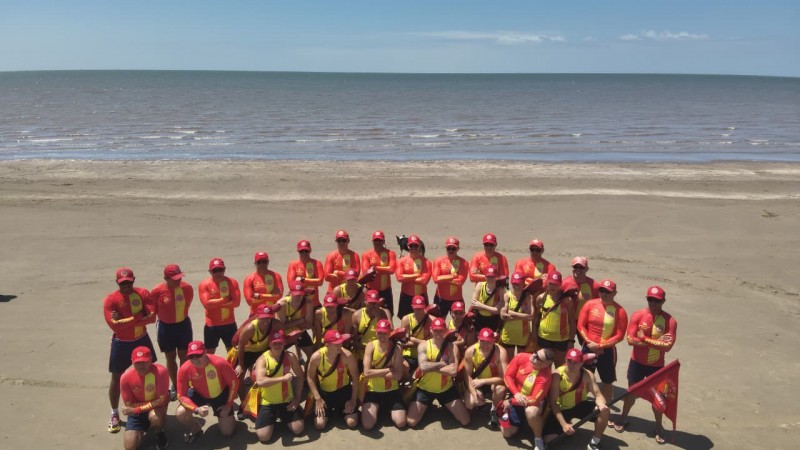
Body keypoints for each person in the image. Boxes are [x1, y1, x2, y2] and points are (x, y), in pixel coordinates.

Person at [614, 286, 677, 445]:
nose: (653, 303)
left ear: (663, 301)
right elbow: (630, 341)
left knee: (658, 399)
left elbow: (667, 347)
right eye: (650, 299)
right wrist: (657, 343)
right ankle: (622, 418)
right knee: (631, 393)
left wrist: (645, 339)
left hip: (656, 367)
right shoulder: (638, 315)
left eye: (656, 300)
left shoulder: (670, 321)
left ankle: (658, 427)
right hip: (637, 363)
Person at [103, 267, 157, 433]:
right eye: (122, 283)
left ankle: (152, 407)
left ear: (133, 280)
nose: (126, 285)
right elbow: (114, 326)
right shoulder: (111, 300)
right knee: (116, 377)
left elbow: (152, 318)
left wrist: (125, 320)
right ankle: (114, 413)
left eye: (128, 282)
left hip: (141, 340)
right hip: (122, 342)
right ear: (117, 282)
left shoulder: (143, 294)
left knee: (149, 373)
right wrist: (138, 317)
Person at [406, 317, 470, 427]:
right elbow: (422, 367)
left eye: (441, 330)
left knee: (465, 421)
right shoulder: (424, 345)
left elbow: (453, 371)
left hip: (446, 389)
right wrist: (441, 364)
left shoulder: (452, 347)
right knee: (411, 422)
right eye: (436, 330)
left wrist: (431, 366)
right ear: (431, 330)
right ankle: (429, 405)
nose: (438, 333)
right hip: (425, 389)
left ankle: (443, 404)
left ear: (445, 330)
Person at [544, 348, 610, 450]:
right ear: (565, 360)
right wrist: (564, 424)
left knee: (605, 411)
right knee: (549, 440)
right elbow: (553, 403)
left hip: (579, 405)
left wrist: (601, 404)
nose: (572, 365)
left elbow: (598, 394)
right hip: (562, 409)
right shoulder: (557, 375)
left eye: (575, 362)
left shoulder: (587, 375)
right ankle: (567, 424)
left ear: (581, 363)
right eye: (569, 361)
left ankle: (595, 442)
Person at [577, 279, 629, 406]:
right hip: (588, 347)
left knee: (607, 381)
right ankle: (580, 404)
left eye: (608, 292)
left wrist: (600, 345)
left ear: (615, 293)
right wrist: (589, 342)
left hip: (607, 351)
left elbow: (619, 335)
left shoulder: (620, 311)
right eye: (602, 291)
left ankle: (606, 409)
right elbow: (580, 325)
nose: (604, 294)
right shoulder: (590, 304)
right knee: (584, 378)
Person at [176, 341, 239, 443]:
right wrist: (196, 409)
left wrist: (228, 406)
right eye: (191, 356)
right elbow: (181, 395)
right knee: (180, 413)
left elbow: (234, 383)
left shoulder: (219, 362)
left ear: (205, 352)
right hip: (199, 394)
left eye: (198, 355)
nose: (195, 359)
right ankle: (195, 426)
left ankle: (230, 417)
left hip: (220, 394)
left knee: (228, 432)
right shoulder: (184, 369)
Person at [151, 263, 194, 401]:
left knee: (184, 356)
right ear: (166, 278)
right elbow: (154, 310)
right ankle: (175, 384)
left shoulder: (187, 288)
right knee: (170, 357)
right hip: (165, 327)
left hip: (183, 325)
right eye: (174, 278)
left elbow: (187, 304)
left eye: (179, 277)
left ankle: (184, 383)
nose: (178, 280)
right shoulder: (157, 291)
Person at [253, 330, 305, 443]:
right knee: (263, 437)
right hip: (268, 402)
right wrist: (283, 379)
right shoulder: (262, 359)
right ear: (269, 344)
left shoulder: (290, 356)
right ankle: (273, 416)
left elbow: (301, 376)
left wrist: (297, 398)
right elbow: (260, 382)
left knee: (298, 429)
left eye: (280, 343)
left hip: (287, 400)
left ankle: (285, 414)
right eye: (274, 343)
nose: (277, 345)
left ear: (284, 343)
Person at [499, 348, 555, 450]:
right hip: (516, 395)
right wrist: (515, 394)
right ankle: (508, 417)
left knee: (531, 412)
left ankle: (538, 439)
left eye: (537, 357)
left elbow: (534, 400)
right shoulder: (521, 357)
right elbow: (508, 376)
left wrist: (511, 401)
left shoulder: (545, 376)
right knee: (507, 433)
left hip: (533, 401)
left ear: (545, 365)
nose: (533, 356)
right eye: (535, 352)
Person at [307, 329, 360, 429]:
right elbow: (310, 377)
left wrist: (353, 400)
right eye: (336, 344)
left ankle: (341, 411)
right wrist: (318, 398)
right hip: (325, 393)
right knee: (319, 425)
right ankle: (328, 412)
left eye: (340, 343)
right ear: (327, 344)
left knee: (352, 423)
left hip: (343, 391)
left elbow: (355, 377)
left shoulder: (347, 355)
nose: (339, 346)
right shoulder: (316, 357)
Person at [119, 347, 170, 450]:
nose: (142, 365)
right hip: (137, 414)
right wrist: (137, 410)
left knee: (155, 417)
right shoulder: (125, 378)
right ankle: (143, 427)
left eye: (145, 362)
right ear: (132, 361)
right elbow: (129, 405)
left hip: (155, 409)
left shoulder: (161, 372)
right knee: (130, 447)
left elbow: (161, 400)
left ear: (151, 359)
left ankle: (160, 433)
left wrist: (137, 409)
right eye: (138, 363)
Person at [361, 319, 407, 430]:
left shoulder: (396, 349)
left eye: (385, 333)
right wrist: (387, 370)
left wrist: (375, 373)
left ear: (390, 332)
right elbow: (366, 373)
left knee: (401, 423)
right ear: (376, 332)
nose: (382, 336)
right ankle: (378, 409)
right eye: (379, 333)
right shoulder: (371, 346)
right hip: (373, 390)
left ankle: (382, 409)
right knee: (368, 425)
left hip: (392, 390)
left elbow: (398, 375)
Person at [234, 305, 277, 419]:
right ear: (257, 317)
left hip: (263, 352)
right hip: (248, 352)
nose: (266, 321)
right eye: (263, 318)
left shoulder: (274, 324)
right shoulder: (249, 329)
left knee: (264, 374)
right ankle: (244, 404)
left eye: (268, 318)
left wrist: (300, 323)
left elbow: (287, 326)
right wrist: (241, 366)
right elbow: (241, 347)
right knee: (238, 377)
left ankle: (265, 400)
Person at [463, 328, 509, 428]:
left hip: (493, 382)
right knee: (470, 403)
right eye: (482, 341)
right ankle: (479, 401)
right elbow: (467, 376)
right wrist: (474, 394)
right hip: (477, 382)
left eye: (489, 342)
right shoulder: (470, 351)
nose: (485, 345)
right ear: (478, 339)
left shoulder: (500, 352)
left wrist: (484, 381)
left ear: (494, 341)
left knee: (500, 389)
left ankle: (494, 409)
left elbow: (504, 378)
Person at [198, 258, 241, 356]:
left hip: (229, 324)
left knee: (233, 351)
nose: (218, 273)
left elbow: (236, 303)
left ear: (224, 269)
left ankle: (231, 370)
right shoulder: (204, 284)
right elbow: (207, 305)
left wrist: (215, 302)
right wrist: (225, 300)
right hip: (212, 325)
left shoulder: (232, 283)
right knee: (209, 352)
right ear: (210, 271)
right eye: (215, 271)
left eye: (220, 270)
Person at [534, 271, 575, 367]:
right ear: (547, 283)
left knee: (560, 367)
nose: (553, 287)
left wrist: (571, 341)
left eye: (556, 284)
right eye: (550, 283)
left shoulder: (567, 301)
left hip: (561, 340)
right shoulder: (541, 298)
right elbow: (536, 318)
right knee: (544, 367)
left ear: (560, 284)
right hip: (543, 338)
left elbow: (572, 322)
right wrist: (534, 334)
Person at [394, 234, 432, 318]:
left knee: (423, 320)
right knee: (405, 320)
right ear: (408, 246)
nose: (413, 248)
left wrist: (407, 277)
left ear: (419, 246)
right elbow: (399, 278)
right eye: (411, 245)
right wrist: (416, 275)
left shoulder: (426, 262)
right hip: (406, 295)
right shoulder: (402, 261)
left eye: (416, 245)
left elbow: (425, 281)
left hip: (421, 295)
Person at [432, 236, 470, 319]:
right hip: (440, 298)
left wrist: (442, 278)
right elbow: (435, 279)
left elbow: (460, 282)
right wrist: (452, 276)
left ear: (458, 249)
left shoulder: (464, 263)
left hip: (456, 298)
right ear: (446, 248)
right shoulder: (438, 260)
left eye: (453, 248)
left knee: (459, 323)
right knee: (438, 322)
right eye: (449, 248)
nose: (451, 251)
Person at [276, 282, 315, 361]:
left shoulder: (308, 303)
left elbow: (309, 325)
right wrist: (300, 321)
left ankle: (307, 373)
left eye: (300, 294)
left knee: (312, 355)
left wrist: (291, 324)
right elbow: (280, 327)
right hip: (283, 333)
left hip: (299, 330)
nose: (298, 297)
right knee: (278, 356)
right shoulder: (282, 304)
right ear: (290, 293)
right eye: (296, 294)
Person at [361, 230, 398, 316]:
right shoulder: (367, 254)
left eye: (380, 240)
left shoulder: (390, 253)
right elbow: (365, 271)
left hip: (385, 290)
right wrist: (384, 269)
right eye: (375, 240)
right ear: (372, 241)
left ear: (383, 241)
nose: (378, 242)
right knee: (369, 315)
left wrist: (375, 268)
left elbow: (392, 269)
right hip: (371, 290)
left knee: (387, 314)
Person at [499, 271, 535, 356]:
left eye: (519, 283)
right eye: (514, 283)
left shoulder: (528, 297)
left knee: (521, 361)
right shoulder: (507, 295)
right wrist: (524, 316)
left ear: (523, 284)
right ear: (511, 283)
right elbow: (503, 316)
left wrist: (511, 313)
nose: (516, 286)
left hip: (523, 335)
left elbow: (531, 317)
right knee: (509, 362)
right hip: (508, 334)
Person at [352, 290, 392, 361]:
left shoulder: (385, 313)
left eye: (375, 303)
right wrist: (369, 349)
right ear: (365, 301)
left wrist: (379, 317)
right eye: (370, 303)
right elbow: (354, 340)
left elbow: (391, 332)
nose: (372, 306)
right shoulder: (357, 315)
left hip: (381, 352)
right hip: (362, 353)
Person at [400, 295, 433, 375]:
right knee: (403, 368)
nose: (418, 310)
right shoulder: (406, 320)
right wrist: (423, 342)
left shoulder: (432, 320)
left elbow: (432, 344)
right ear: (412, 307)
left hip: (426, 354)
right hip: (409, 354)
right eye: (416, 308)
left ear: (425, 307)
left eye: (420, 308)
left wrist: (413, 339)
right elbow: (403, 343)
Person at [243, 251, 284, 316]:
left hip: (270, 314)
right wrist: (271, 295)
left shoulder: (276, 276)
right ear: (255, 263)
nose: (262, 264)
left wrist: (259, 296)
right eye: (259, 262)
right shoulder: (249, 279)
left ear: (268, 262)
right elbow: (249, 301)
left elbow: (279, 296)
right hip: (255, 315)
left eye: (264, 261)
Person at [287, 240, 325, 308]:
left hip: (314, 303)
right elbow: (291, 284)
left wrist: (302, 280)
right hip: (299, 305)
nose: (304, 253)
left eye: (306, 251)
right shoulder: (293, 264)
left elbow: (320, 281)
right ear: (298, 251)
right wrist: (312, 281)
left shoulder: (317, 263)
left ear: (310, 251)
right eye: (302, 251)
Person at [470, 264, 506, 332]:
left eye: (492, 277)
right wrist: (492, 309)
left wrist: (480, 305)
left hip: (493, 320)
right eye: (488, 276)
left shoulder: (501, 290)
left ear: (496, 277)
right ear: (485, 277)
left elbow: (498, 311)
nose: (490, 279)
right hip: (479, 318)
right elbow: (473, 304)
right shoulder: (480, 285)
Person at [324, 229, 360, 294]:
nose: (341, 243)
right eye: (339, 241)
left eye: (343, 240)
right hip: (333, 291)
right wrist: (348, 275)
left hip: (350, 292)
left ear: (348, 241)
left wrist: (337, 272)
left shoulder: (354, 256)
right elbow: (327, 277)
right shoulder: (331, 256)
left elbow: (356, 275)